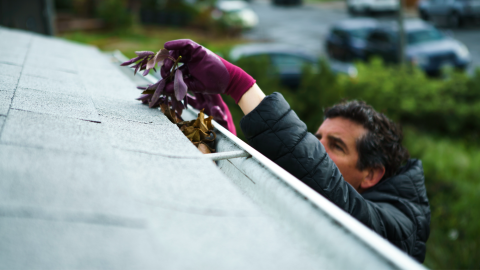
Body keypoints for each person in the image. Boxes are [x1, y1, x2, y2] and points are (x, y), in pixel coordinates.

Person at [161, 39, 431, 263]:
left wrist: (239, 85)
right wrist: (225, 139)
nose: (318, 149)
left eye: (336, 145)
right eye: (317, 138)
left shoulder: (401, 228)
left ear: (370, 174)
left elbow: (330, 190)